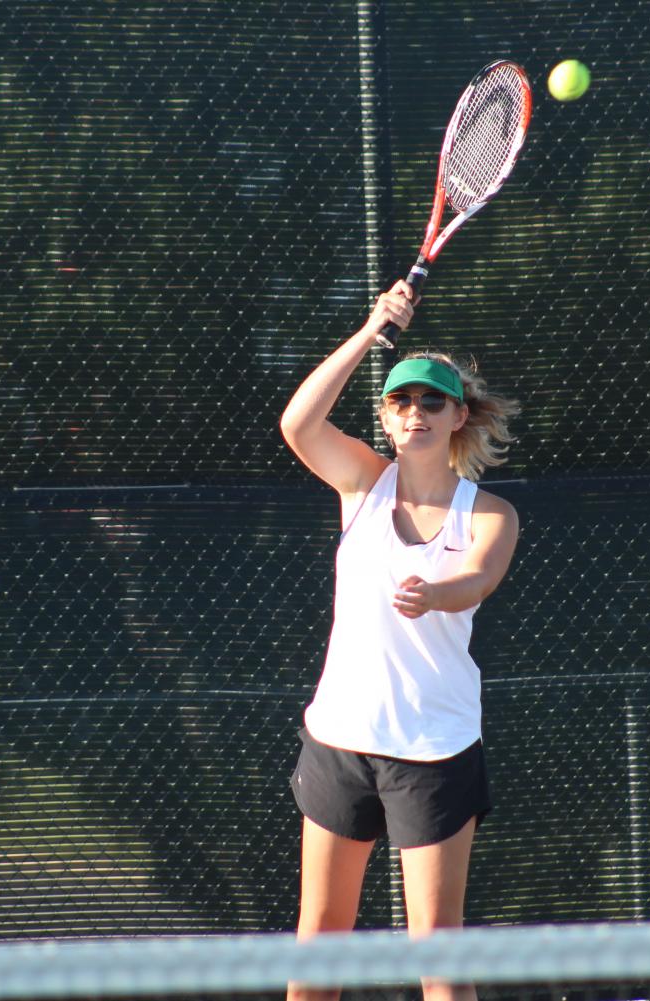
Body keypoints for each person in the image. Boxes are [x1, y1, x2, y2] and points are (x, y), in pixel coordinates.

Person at [278, 281, 521, 1001]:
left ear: (458, 417)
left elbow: (474, 581)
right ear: (385, 416)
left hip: (434, 750)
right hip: (340, 740)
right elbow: (297, 423)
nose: (414, 410)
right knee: (319, 937)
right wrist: (368, 330)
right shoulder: (361, 481)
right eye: (400, 399)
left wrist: (433, 593)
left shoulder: (491, 515)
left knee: (437, 952)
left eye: (431, 401)